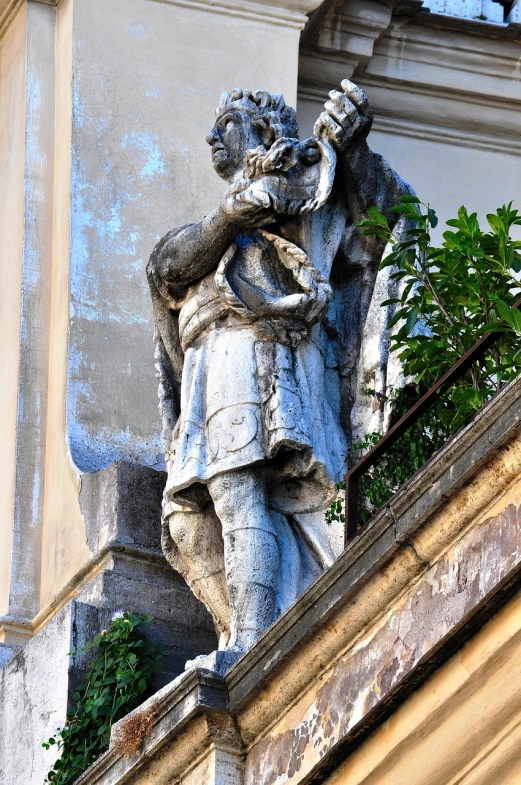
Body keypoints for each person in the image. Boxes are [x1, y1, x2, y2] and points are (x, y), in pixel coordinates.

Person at [147, 81, 410, 659]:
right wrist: (228, 217)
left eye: (231, 123)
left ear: (265, 133)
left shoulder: (309, 191)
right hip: (209, 370)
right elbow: (167, 266)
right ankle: (240, 630)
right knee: (192, 522)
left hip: (262, 356)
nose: (215, 136)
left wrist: (354, 150)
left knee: (237, 488)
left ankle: (250, 638)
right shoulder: (218, 227)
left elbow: (394, 218)